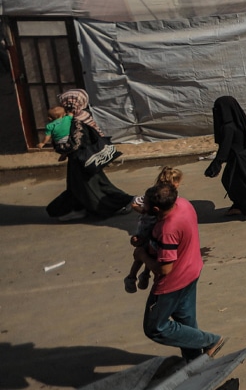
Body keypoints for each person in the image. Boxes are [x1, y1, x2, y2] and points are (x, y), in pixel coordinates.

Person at [137, 183, 226, 361]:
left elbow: (165, 268)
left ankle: (210, 341)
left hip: (172, 283)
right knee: (186, 321)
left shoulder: (167, 229)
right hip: (191, 271)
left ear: (156, 208)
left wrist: (142, 256)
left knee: (155, 328)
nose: (142, 207)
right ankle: (194, 360)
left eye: (144, 205)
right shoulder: (184, 204)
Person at [45, 88, 133, 221]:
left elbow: (74, 144)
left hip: (82, 160)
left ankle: (117, 205)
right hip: (85, 159)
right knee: (83, 186)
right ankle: (79, 209)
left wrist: (61, 148)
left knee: (92, 188)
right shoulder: (81, 116)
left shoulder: (75, 121)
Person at [203, 96, 246, 220]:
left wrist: (216, 164)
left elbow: (225, 148)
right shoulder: (239, 121)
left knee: (242, 185)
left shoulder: (228, 127)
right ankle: (240, 205)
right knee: (245, 183)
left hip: (240, 160)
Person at [126, 166, 183, 294]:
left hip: (156, 231)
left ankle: (145, 275)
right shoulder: (154, 196)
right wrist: (145, 211)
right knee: (141, 254)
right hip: (146, 230)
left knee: (152, 254)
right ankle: (131, 277)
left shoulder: (172, 198)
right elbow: (135, 203)